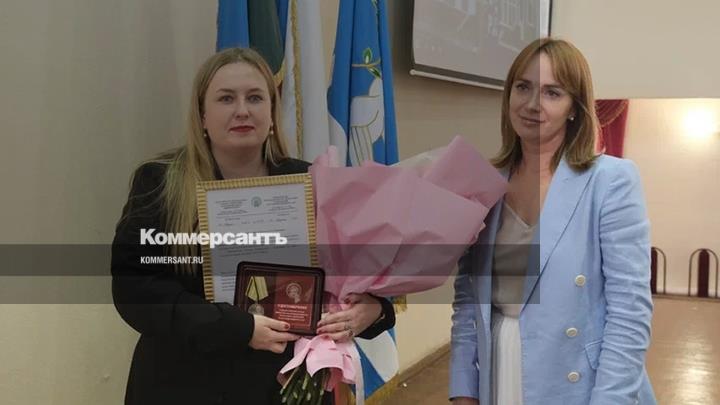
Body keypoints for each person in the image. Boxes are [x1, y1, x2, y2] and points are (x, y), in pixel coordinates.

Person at [111, 47, 395, 405]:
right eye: (226, 98)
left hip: (284, 387)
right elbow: (135, 289)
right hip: (184, 382)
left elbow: (357, 277)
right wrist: (239, 328)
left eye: (255, 97)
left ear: (272, 112)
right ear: (202, 115)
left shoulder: (312, 181)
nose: (242, 110)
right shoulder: (159, 183)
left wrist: (372, 309)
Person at [449, 38, 656, 404]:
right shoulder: (484, 182)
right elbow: (468, 299)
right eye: (523, 87)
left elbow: (629, 310)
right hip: (501, 367)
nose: (532, 104)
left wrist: (610, 400)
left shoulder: (610, 181)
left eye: (552, 93)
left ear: (574, 107)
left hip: (581, 381)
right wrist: (463, 388)